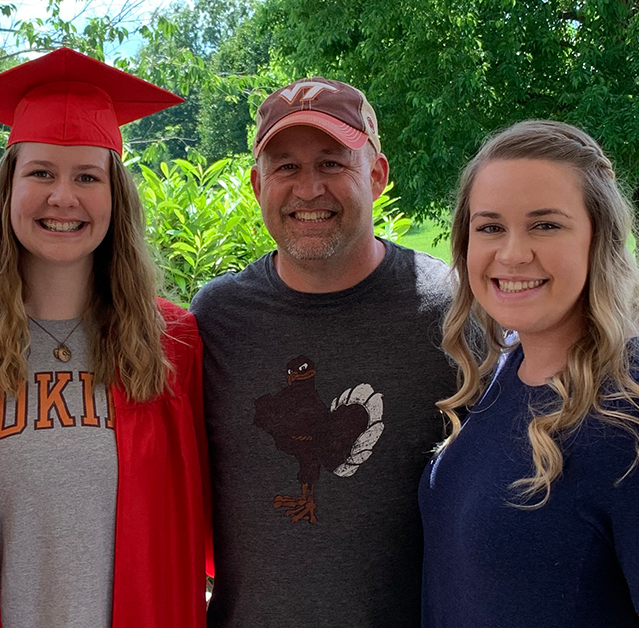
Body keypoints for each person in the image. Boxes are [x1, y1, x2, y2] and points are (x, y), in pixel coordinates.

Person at [0, 47, 209, 628]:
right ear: (4, 188)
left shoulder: (172, 344)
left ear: (116, 198)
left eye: (87, 176)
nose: (64, 197)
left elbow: (198, 516)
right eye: (41, 173)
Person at [419, 120, 639, 627]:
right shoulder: (506, 371)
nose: (513, 253)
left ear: (600, 239)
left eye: (546, 225)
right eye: (490, 227)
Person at [190, 77, 455, 627]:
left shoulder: (450, 310)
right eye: (285, 166)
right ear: (257, 185)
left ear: (377, 175)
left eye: (333, 163)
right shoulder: (215, 320)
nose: (308, 189)